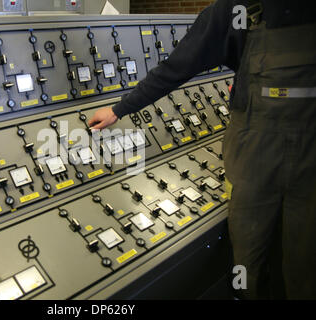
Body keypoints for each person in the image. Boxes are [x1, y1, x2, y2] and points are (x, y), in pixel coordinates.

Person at [88, 0, 316, 299]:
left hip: (292, 156)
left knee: (302, 259)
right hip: (257, 154)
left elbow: (176, 67)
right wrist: (120, 109)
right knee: (251, 255)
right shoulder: (235, 11)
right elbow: (176, 68)